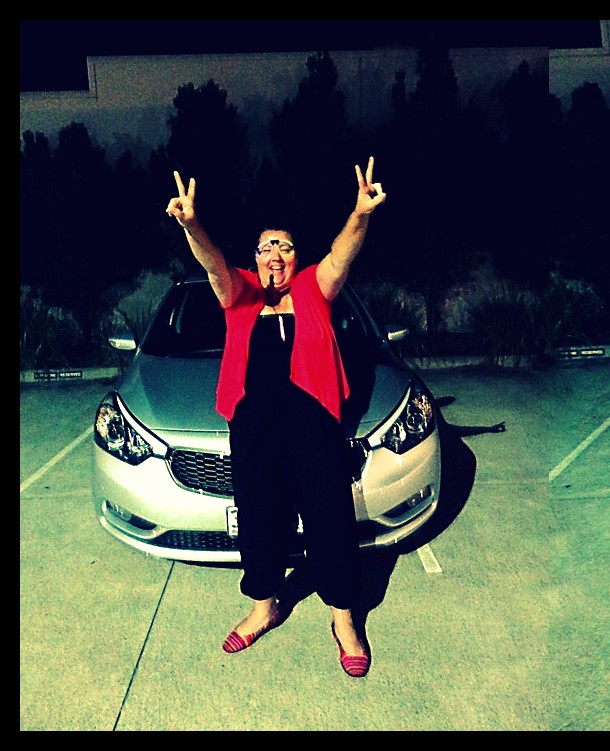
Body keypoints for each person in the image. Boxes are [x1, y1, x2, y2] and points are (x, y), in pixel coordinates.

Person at [165, 158, 386, 678]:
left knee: (329, 516)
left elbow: (341, 256)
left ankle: (344, 616)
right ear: (256, 259)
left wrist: (360, 214)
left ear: (295, 258)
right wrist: (192, 224)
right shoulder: (239, 294)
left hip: (313, 423)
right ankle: (264, 605)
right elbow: (214, 265)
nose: (274, 255)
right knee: (259, 515)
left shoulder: (313, 289)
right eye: (266, 248)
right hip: (254, 426)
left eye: (284, 247)